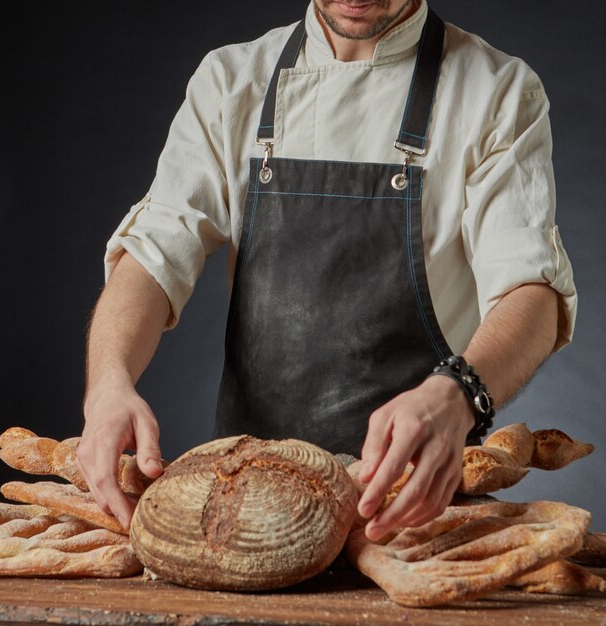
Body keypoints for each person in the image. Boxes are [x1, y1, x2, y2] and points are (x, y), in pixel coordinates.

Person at [76, 0, 576, 543]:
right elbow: (153, 256)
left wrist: (458, 393)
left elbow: (533, 295)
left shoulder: (496, 92)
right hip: (245, 519)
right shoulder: (230, 81)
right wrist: (108, 382)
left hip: (411, 515)